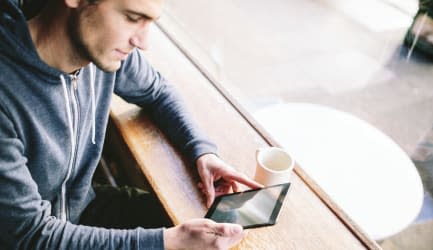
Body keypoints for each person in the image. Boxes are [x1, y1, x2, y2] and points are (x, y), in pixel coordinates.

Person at [0, 0, 262, 249]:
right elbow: (30, 235)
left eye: (150, 22)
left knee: (210, 226)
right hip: (29, 239)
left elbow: (158, 92)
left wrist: (202, 151)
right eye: (133, 18)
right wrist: (169, 242)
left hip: (81, 208)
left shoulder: (102, 50)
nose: (143, 42)